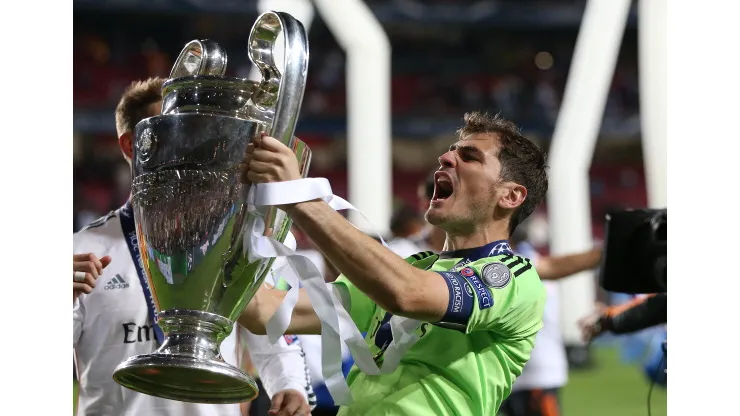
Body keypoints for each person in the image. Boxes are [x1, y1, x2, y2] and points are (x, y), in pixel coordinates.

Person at [239, 111, 549, 415]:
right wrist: (229, 220)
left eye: (470, 157)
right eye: (450, 151)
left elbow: (408, 294)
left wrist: (299, 197)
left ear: (510, 196)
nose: (445, 157)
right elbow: (264, 311)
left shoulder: (514, 277)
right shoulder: (412, 267)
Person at [73, 77, 314, 416]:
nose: (189, 145)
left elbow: (270, 328)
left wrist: (290, 386)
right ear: (132, 146)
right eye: (171, 132)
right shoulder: (80, 250)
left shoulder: (235, 239)